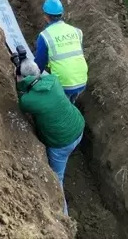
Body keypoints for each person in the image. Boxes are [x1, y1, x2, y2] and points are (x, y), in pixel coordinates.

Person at [15, 57, 85, 215]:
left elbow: (22, 101)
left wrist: (19, 82)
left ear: (25, 78)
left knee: (56, 178)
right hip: (78, 127)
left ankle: (64, 218)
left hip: (61, 143)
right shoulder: (53, 80)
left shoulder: (29, 100)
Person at [34, 0, 88, 102]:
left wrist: (31, 81)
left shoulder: (45, 36)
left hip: (63, 85)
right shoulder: (77, 31)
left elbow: (39, 64)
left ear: (46, 16)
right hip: (82, 81)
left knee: (58, 106)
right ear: (61, 14)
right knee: (70, 104)